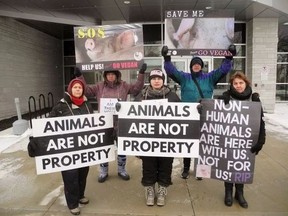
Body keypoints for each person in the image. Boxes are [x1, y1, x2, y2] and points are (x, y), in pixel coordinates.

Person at [161, 45, 236, 180]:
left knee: (204, 144)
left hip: (205, 115)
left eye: (198, 64)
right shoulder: (184, 78)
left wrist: (229, 57)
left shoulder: (210, 78)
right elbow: (171, 71)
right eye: (194, 64)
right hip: (188, 116)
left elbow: (223, 70)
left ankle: (201, 170)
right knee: (188, 143)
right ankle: (186, 168)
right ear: (191, 66)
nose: (196, 66)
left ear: (202, 66)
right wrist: (167, 58)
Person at [28, 78, 94, 215]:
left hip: (83, 148)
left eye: (80, 88)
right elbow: (47, 126)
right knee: (71, 176)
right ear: (70, 89)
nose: (77, 89)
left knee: (83, 173)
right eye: (75, 87)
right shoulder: (60, 106)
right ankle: (72, 203)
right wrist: (36, 139)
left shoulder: (87, 105)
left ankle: (80, 195)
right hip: (67, 149)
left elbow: (93, 124)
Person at [75, 64, 146, 183]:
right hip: (104, 123)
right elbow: (86, 91)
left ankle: (121, 169)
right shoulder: (99, 86)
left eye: (113, 74)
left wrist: (141, 74)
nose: (111, 76)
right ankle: (103, 171)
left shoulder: (124, 86)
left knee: (122, 148)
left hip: (120, 122)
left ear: (117, 75)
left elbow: (136, 89)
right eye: (108, 74)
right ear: (105, 76)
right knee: (104, 148)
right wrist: (79, 77)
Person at [218, 71, 266, 208]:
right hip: (228, 139)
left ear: (246, 83)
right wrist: (202, 106)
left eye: (241, 83)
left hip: (246, 141)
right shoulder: (226, 98)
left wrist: (261, 140)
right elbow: (212, 112)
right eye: (235, 83)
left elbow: (261, 121)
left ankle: (239, 193)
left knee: (241, 166)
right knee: (228, 166)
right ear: (232, 85)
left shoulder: (254, 99)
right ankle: (228, 192)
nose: (238, 86)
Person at [134, 69, 181, 206]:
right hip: (147, 140)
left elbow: (183, 117)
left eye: (159, 78)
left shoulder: (172, 97)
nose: (156, 80)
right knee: (148, 166)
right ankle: (149, 190)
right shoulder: (142, 96)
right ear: (150, 80)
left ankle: (161, 190)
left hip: (167, 140)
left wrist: (196, 110)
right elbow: (132, 118)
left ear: (163, 80)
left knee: (165, 166)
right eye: (153, 78)